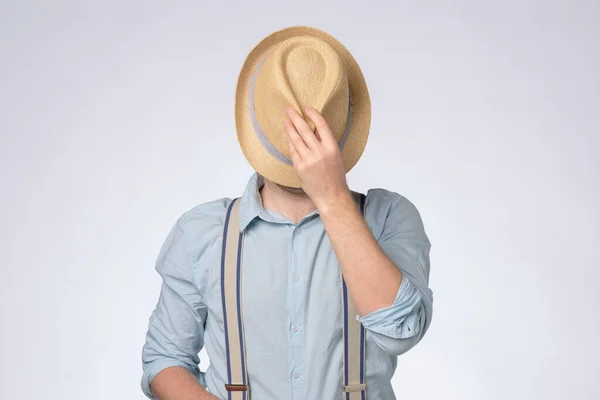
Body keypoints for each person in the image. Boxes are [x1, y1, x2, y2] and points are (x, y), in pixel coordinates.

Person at [141, 26, 433, 400]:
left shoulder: (389, 217)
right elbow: (164, 360)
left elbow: (402, 329)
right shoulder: (202, 233)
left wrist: (332, 199)